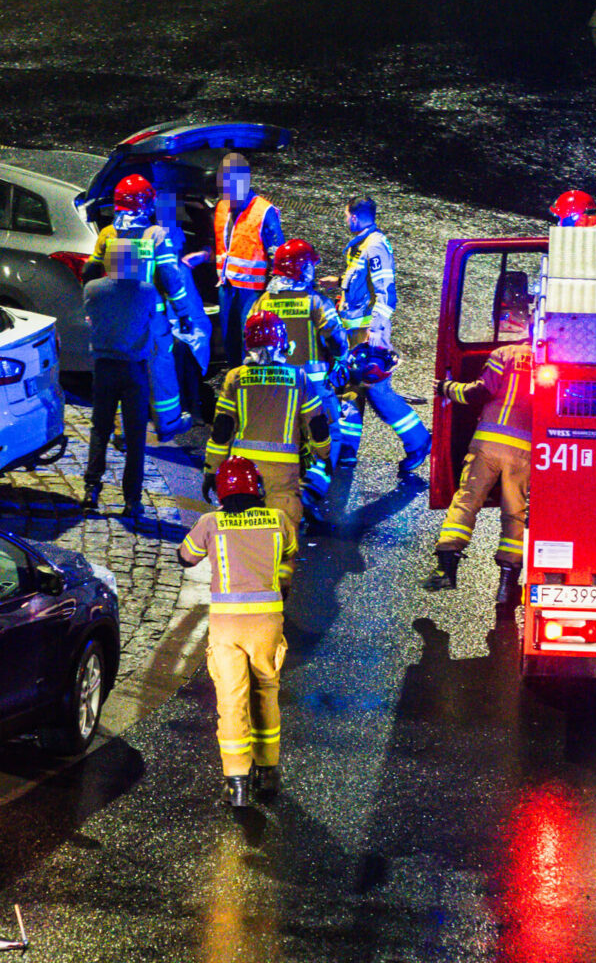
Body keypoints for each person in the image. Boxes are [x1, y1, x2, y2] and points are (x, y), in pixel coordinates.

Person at [178, 456, 297, 807]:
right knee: (266, 693)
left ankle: (238, 782)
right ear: (256, 488)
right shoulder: (279, 519)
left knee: (231, 701)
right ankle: (269, 770)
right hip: (267, 622)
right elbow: (289, 557)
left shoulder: (210, 522)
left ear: (222, 491)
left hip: (227, 625)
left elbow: (186, 557)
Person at [82, 174, 206, 439]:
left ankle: (121, 432)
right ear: (146, 205)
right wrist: (184, 313)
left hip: (116, 319)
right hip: (151, 319)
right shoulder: (156, 235)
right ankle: (168, 423)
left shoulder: (108, 234)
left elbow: (91, 271)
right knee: (160, 369)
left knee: (122, 371)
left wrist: (94, 309)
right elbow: (170, 278)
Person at [323, 194, 429, 482]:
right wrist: (339, 282)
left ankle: (419, 441)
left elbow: (387, 294)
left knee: (377, 392)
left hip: (368, 334)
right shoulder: (361, 246)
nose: (345, 220)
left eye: (346, 216)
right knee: (349, 388)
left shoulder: (376, 246)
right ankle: (346, 451)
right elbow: (362, 282)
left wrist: (377, 333)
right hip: (353, 333)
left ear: (354, 217)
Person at [421, 339, 534, 605]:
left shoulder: (506, 353)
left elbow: (479, 393)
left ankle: (446, 569)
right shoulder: (556, 360)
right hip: (525, 451)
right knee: (514, 513)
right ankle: (507, 586)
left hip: (488, 444)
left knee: (467, 500)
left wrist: (447, 388)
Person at [249, 238, 348, 522]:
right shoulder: (317, 302)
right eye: (309, 266)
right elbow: (336, 340)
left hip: (276, 386)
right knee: (329, 436)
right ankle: (309, 494)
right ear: (302, 270)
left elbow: (252, 341)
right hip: (314, 387)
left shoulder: (263, 302)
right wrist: (341, 360)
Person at [202, 310, 331, 529]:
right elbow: (316, 424)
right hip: (284, 471)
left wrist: (211, 471)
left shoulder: (235, 377)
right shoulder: (299, 377)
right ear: (282, 342)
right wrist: (324, 454)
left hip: (244, 472)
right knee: (283, 533)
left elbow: (222, 431)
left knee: (246, 532)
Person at [81, 239, 160, 518]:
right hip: (134, 370)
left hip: (104, 367)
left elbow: (90, 317)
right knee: (136, 436)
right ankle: (132, 500)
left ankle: (91, 489)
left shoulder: (93, 289)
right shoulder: (147, 291)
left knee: (100, 429)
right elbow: (153, 320)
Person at [182, 153, 284, 369]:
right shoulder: (221, 207)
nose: (226, 193)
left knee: (251, 346)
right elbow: (220, 244)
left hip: (253, 293)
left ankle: (250, 391)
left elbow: (278, 259)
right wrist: (203, 255)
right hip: (227, 289)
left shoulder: (264, 212)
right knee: (230, 343)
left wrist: (272, 296)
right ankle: (236, 384)